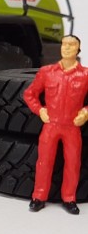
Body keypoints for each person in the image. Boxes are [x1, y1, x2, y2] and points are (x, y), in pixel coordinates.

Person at [23, 34, 88, 214]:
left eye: (71, 45)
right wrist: (40, 110)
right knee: (44, 162)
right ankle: (39, 196)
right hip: (50, 125)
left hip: (72, 127)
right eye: (64, 44)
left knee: (73, 163)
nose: (66, 48)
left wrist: (85, 113)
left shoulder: (85, 75)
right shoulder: (47, 72)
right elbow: (29, 94)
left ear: (78, 49)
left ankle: (69, 198)